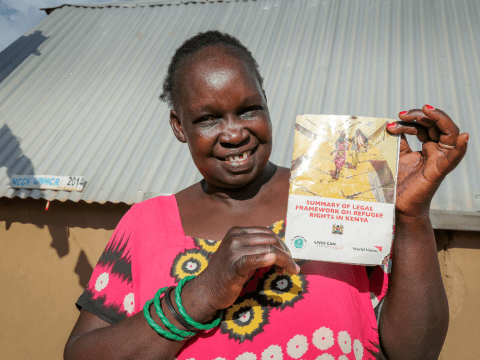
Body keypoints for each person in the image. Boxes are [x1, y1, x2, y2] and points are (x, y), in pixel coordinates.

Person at [64, 31, 469, 360]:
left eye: (248, 109)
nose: (234, 132)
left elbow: (418, 352)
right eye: (207, 118)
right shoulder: (146, 224)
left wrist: (413, 216)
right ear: (178, 125)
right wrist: (199, 294)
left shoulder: (339, 193)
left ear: (267, 105)